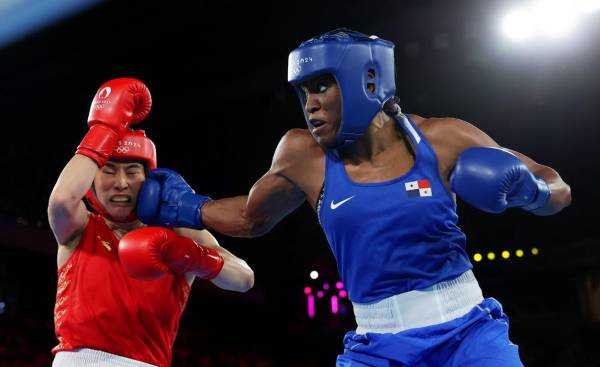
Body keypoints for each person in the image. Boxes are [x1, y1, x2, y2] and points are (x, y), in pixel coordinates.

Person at [137, 29, 572, 366]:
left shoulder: (440, 139)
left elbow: (556, 185)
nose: (310, 104)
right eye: (303, 92)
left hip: (468, 334)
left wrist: (533, 192)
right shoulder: (302, 155)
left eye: (322, 86)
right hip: (376, 344)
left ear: (368, 80)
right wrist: (185, 206)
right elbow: (253, 218)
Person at [47, 77, 254, 367]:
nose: (121, 183)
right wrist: (104, 129)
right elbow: (61, 199)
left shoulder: (176, 232)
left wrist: (192, 256)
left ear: (149, 180)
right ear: (91, 180)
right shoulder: (79, 228)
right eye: (108, 171)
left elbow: (245, 278)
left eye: (132, 171)